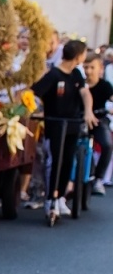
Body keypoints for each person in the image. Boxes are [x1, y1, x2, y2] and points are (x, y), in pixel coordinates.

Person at [32, 39, 96, 222]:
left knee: (68, 161)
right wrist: (36, 110)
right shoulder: (53, 75)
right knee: (55, 161)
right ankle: (50, 199)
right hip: (55, 124)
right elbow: (35, 93)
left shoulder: (76, 74)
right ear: (78, 56)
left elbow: (85, 93)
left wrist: (88, 111)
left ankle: (60, 197)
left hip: (72, 124)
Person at [87, 53, 113, 191]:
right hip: (81, 120)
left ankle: (99, 177)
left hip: (99, 120)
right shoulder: (81, 84)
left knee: (107, 145)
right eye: (86, 67)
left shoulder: (105, 85)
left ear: (100, 68)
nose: (89, 71)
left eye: (92, 67)